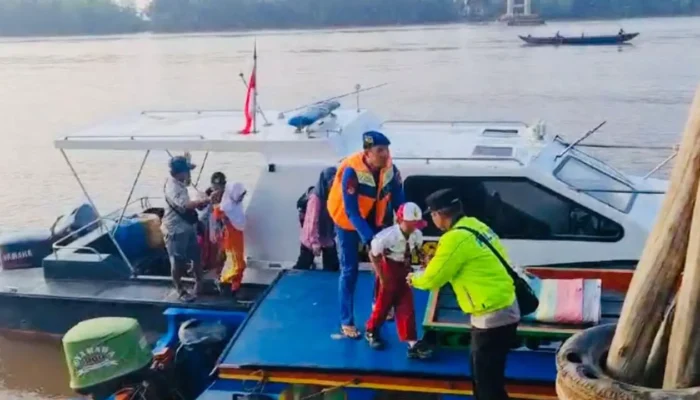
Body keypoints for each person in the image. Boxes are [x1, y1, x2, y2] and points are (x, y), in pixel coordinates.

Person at [408, 188, 520, 400]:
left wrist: (413, 278)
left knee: (486, 387)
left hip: (491, 317)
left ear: (439, 214)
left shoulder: (453, 239)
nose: (433, 220)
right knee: (490, 379)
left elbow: (433, 279)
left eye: (432, 215)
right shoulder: (476, 225)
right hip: (507, 307)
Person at [327, 130, 405, 339]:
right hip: (348, 222)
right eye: (380, 150)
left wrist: (405, 223)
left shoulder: (390, 168)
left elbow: (399, 199)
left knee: (383, 265)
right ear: (368, 153)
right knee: (349, 270)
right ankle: (346, 321)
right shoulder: (352, 172)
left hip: (375, 217)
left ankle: (378, 304)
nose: (385, 154)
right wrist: (371, 240)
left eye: (387, 149)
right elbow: (351, 211)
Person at [364, 202, 432, 359]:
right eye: (412, 222)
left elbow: (418, 252)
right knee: (383, 305)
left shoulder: (417, 235)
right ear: (401, 220)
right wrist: (382, 277)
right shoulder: (386, 237)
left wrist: (425, 262)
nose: (415, 225)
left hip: (405, 271)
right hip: (388, 269)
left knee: (407, 306)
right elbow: (373, 255)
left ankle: (412, 342)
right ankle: (371, 330)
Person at [162, 155, 214, 302]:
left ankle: (199, 283)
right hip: (175, 230)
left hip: (188, 226)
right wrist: (207, 200)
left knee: (196, 256)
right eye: (187, 171)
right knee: (177, 261)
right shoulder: (173, 187)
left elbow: (190, 201)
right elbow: (186, 205)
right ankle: (180, 290)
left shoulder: (180, 182)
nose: (189, 174)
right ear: (179, 172)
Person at [295, 167, 340, 271]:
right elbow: (312, 221)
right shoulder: (315, 198)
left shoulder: (333, 196)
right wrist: (314, 243)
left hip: (326, 236)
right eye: (332, 182)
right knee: (303, 266)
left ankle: (330, 285)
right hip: (310, 237)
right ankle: (295, 283)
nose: (334, 185)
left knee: (333, 266)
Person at [214, 182, 248, 295]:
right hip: (232, 238)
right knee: (238, 265)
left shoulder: (236, 205)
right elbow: (217, 214)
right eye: (240, 194)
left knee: (240, 263)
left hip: (238, 236)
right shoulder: (226, 206)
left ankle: (235, 286)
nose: (242, 197)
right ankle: (223, 280)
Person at [199, 172, 226, 274]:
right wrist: (209, 200)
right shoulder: (207, 193)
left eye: (220, 186)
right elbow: (201, 211)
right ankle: (205, 265)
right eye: (215, 186)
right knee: (206, 246)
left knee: (221, 249)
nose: (217, 188)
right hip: (209, 223)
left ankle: (219, 270)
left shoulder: (227, 195)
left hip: (221, 223)